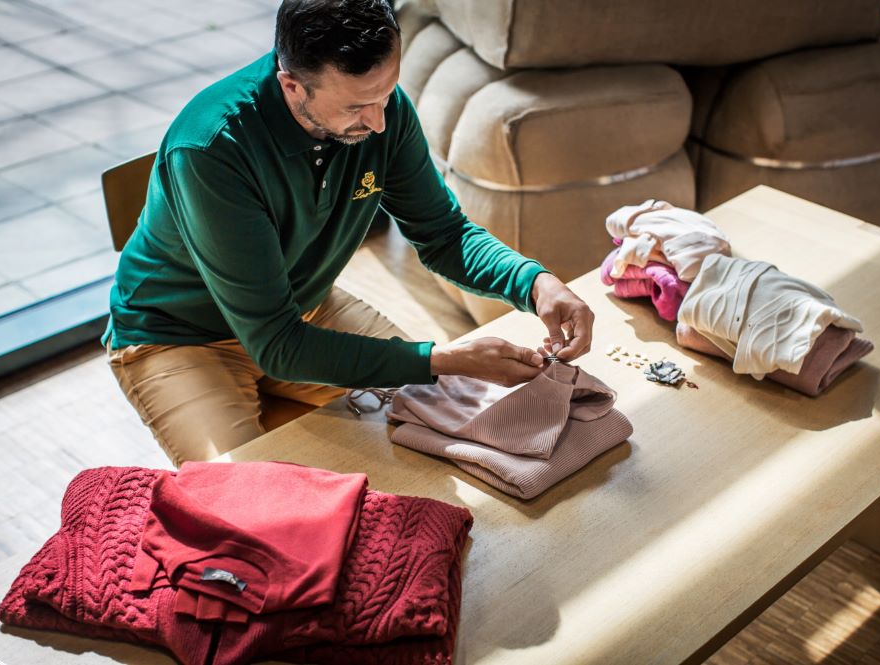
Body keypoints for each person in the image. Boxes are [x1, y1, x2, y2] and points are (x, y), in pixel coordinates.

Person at [104, 0, 594, 467]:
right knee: (246, 505)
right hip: (179, 338)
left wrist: (535, 283)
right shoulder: (212, 150)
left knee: (453, 425)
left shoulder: (382, 111)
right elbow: (278, 346)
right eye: (358, 106)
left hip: (303, 309)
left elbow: (444, 233)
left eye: (387, 94)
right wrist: (442, 358)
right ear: (292, 86)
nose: (379, 122)